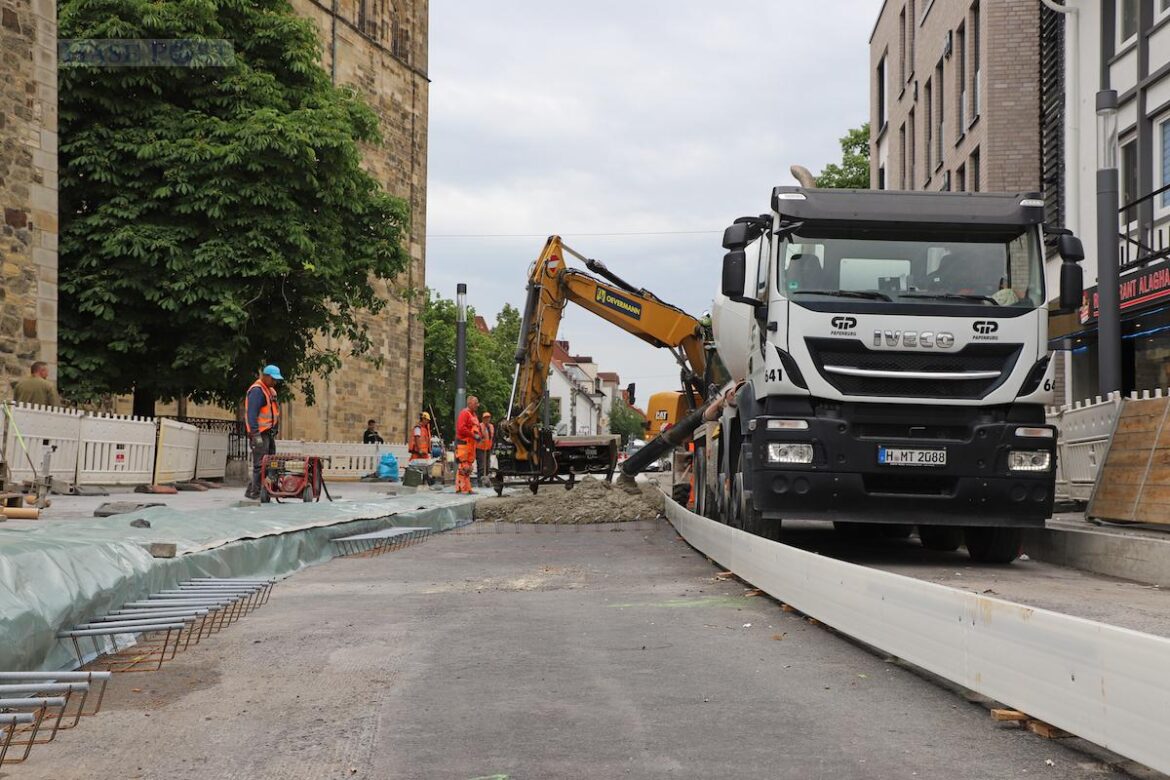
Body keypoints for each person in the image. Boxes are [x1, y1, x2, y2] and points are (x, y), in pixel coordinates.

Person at [244, 365, 283, 501]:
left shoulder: (270, 391)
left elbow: (274, 412)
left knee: (270, 462)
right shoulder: (257, 391)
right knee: (260, 464)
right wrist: (255, 435)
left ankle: (252, 490)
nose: (275, 382)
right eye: (273, 379)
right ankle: (255, 492)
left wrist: (275, 428)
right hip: (259, 433)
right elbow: (251, 415)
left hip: (268, 433)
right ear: (265, 376)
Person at [455, 396, 481, 494]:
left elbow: (476, 428)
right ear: (469, 403)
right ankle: (461, 489)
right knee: (464, 466)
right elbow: (461, 428)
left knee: (469, 467)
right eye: (476, 403)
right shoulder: (464, 413)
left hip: (471, 444)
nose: (477, 405)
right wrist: (473, 435)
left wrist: (478, 436)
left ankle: (467, 488)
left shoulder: (474, 415)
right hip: (463, 443)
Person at [476, 411, 495, 487]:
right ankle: (480, 482)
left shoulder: (491, 426)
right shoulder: (479, 426)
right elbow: (477, 436)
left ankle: (486, 481)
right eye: (485, 418)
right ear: (483, 419)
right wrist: (481, 438)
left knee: (487, 465)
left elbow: (491, 437)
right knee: (481, 466)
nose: (487, 419)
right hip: (480, 448)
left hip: (488, 448)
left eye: (488, 417)